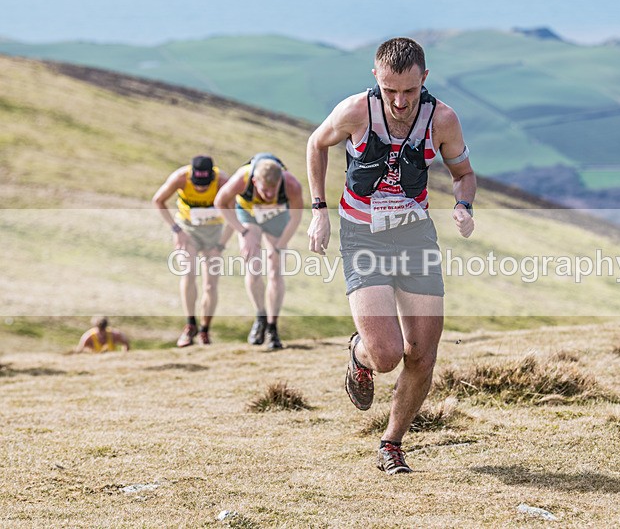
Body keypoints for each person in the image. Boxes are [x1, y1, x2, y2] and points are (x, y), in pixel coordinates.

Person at [306, 37, 476, 474]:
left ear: (424, 78)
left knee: (421, 353)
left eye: (410, 91)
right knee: (386, 355)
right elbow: (316, 144)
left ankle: (391, 444)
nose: (400, 102)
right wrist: (319, 212)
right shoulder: (356, 111)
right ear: (375, 79)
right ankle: (359, 354)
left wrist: (463, 205)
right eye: (389, 91)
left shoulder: (442, 119)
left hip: (415, 236)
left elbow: (464, 174)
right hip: (363, 236)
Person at [214, 153, 304, 350]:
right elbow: (220, 202)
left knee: (275, 270)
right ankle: (260, 316)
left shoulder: (291, 184)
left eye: (273, 189)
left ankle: (272, 326)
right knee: (253, 266)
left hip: (277, 215)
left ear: (280, 180)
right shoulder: (242, 178)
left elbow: (296, 217)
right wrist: (243, 231)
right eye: (264, 190)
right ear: (255, 181)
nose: (269, 194)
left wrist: (280, 246)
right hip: (249, 213)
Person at [153, 155, 232, 347]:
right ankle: (190, 325)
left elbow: (236, 215)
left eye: (205, 185)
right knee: (188, 274)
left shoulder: (223, 182)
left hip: (214, 232)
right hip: (187, 230)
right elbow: (158, 200)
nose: (200, 188)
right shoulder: (180, 178)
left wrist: (220, 245)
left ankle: (205, 330)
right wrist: (176, 230)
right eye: (197, 184)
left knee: (210, 285)